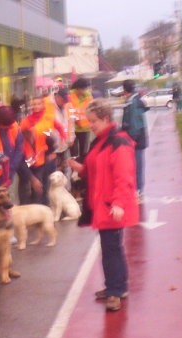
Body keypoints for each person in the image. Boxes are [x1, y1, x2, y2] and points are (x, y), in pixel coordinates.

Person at [68, 98, 138, 312]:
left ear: (106, 119)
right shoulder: (100, 141)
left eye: (94, 121)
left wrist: (118, 204)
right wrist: (80, 168)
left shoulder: (117, 143)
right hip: (103, 206)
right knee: (110, 249)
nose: (90, 125)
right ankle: (116, 287)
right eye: (89, 121)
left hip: (110, 207)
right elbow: (94, 168)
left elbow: (124, 178)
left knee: (112, 250)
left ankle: (116, 291)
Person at [0, 105, 42, 196]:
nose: (8, 129)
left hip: (7, 177)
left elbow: (18, 155)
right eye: (5, 127)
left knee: (6, 207)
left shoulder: (13, 127)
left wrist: (10, 177)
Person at [19, 95, 65, 205]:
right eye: (34, 104)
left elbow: (59, 129)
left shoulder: (49, 118)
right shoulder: (26, 121)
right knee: (27, 182)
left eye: (38, 103)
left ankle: (42, 206)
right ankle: (28, 206)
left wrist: (62, 141)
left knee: (43, 184)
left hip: (46, 156)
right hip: (30, 157)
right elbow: (21, 138)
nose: (36, 106)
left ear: (43, 105)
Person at [121, 79, 149, 202]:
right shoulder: (136, 100)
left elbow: (133, 124)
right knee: (138, 165)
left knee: (135, 165)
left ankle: (137, 191)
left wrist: (129, 139)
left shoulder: (132, 103)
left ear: (125, 90)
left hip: (135, 140)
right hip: (139, 138)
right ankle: (139, 190)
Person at [69, 77, 93, 161]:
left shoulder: (88, 96)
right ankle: (74, 169)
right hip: (73, 127)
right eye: (83, 89)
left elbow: (91, 109)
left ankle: (83, 167)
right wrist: (75, 119)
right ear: (78, 88)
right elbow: (68, 110)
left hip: (85, 128)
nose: (84, 91)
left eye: (86, 89)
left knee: (84, 151)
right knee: (73, 152)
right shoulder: (70, 96)